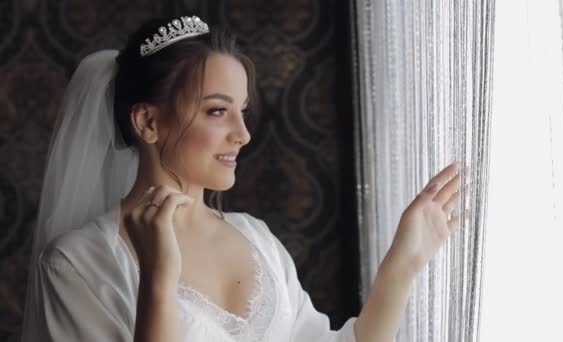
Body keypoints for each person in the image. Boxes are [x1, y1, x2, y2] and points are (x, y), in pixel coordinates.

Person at [20, 15, 464, 342]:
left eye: (242, 110)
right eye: (217, 111)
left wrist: (401, 265)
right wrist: (157, 279)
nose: (243, 133)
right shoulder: (77, 264)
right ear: (148, 122)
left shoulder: (258, 239)